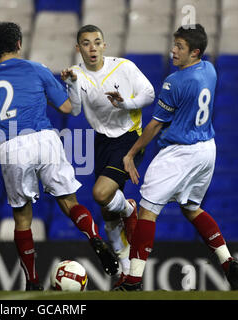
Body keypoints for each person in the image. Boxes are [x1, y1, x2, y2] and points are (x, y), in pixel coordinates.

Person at [0, 22, 119, 291]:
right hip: (45, 139)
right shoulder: (37, 69)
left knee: (22, 218)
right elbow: (69, 107)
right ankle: (93, 237)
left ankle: (31, 281)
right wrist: (72, 86)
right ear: (19, 43)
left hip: (13, 143)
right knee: (69, 201)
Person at [118, 24, 238, 291]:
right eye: (174, 44)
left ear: (195, 52)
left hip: (180, 152)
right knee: (190, 208)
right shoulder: (210, 70)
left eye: (180, 47)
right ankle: (227, 261)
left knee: (147, 211)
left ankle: (132, 281)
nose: (173, 51)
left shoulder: (174, 82)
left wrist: (131, 153)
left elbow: (154, 125)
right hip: (206, 149)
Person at [60, 24, 155, 286]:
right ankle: (125, 270)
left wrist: (126, 103)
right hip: (101, 141)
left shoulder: (123, 66)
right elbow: (76, 110)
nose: (92, 48)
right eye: (86, 43)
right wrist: (71, 85)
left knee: (101, 194)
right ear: (78, 48)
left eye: (97, 42)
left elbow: (149, 94)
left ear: (105, 45)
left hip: (130, 138)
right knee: (107, 210)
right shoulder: (77, 73)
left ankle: (129, 208)